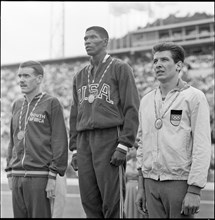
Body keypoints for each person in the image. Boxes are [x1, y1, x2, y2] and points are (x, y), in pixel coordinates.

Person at [69, 26, 140, 218]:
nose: (87, 41)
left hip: (109, 136)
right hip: (84, 140)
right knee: (89, 200)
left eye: (93, 37)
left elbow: (132, 107)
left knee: (112, 202)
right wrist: (74, 148)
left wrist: (124, 144)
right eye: (85, 38)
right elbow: (75, 114)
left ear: (105, 42)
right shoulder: (80, 75)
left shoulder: (120, 68)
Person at [135, 42, 211, 218]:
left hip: (179, 181)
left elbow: (202, 145)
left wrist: (194, 190)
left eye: (164, 59)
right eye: (155, 61)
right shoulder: (146, 100)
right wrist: (141, 186)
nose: (158, 64)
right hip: (151, 182)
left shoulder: (194, 97)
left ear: (179, 65)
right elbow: (141, 144)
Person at [5, 60, 68, 218]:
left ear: (39, 79)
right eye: (19, 76)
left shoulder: (51, 103)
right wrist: (9, 171)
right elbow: (13, 141)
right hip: (18, 175)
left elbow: (60, 140)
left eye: (26, 75)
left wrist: (53, 175)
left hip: (40, 175)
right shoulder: (17, 104)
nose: (21, 80)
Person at [124, 144, 144, 218]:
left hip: (138, 187)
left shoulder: (141, 163)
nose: (130, 152)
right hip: (129, 188)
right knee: (129, 206)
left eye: (132, 149)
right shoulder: (127, 163)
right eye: (129, 150)